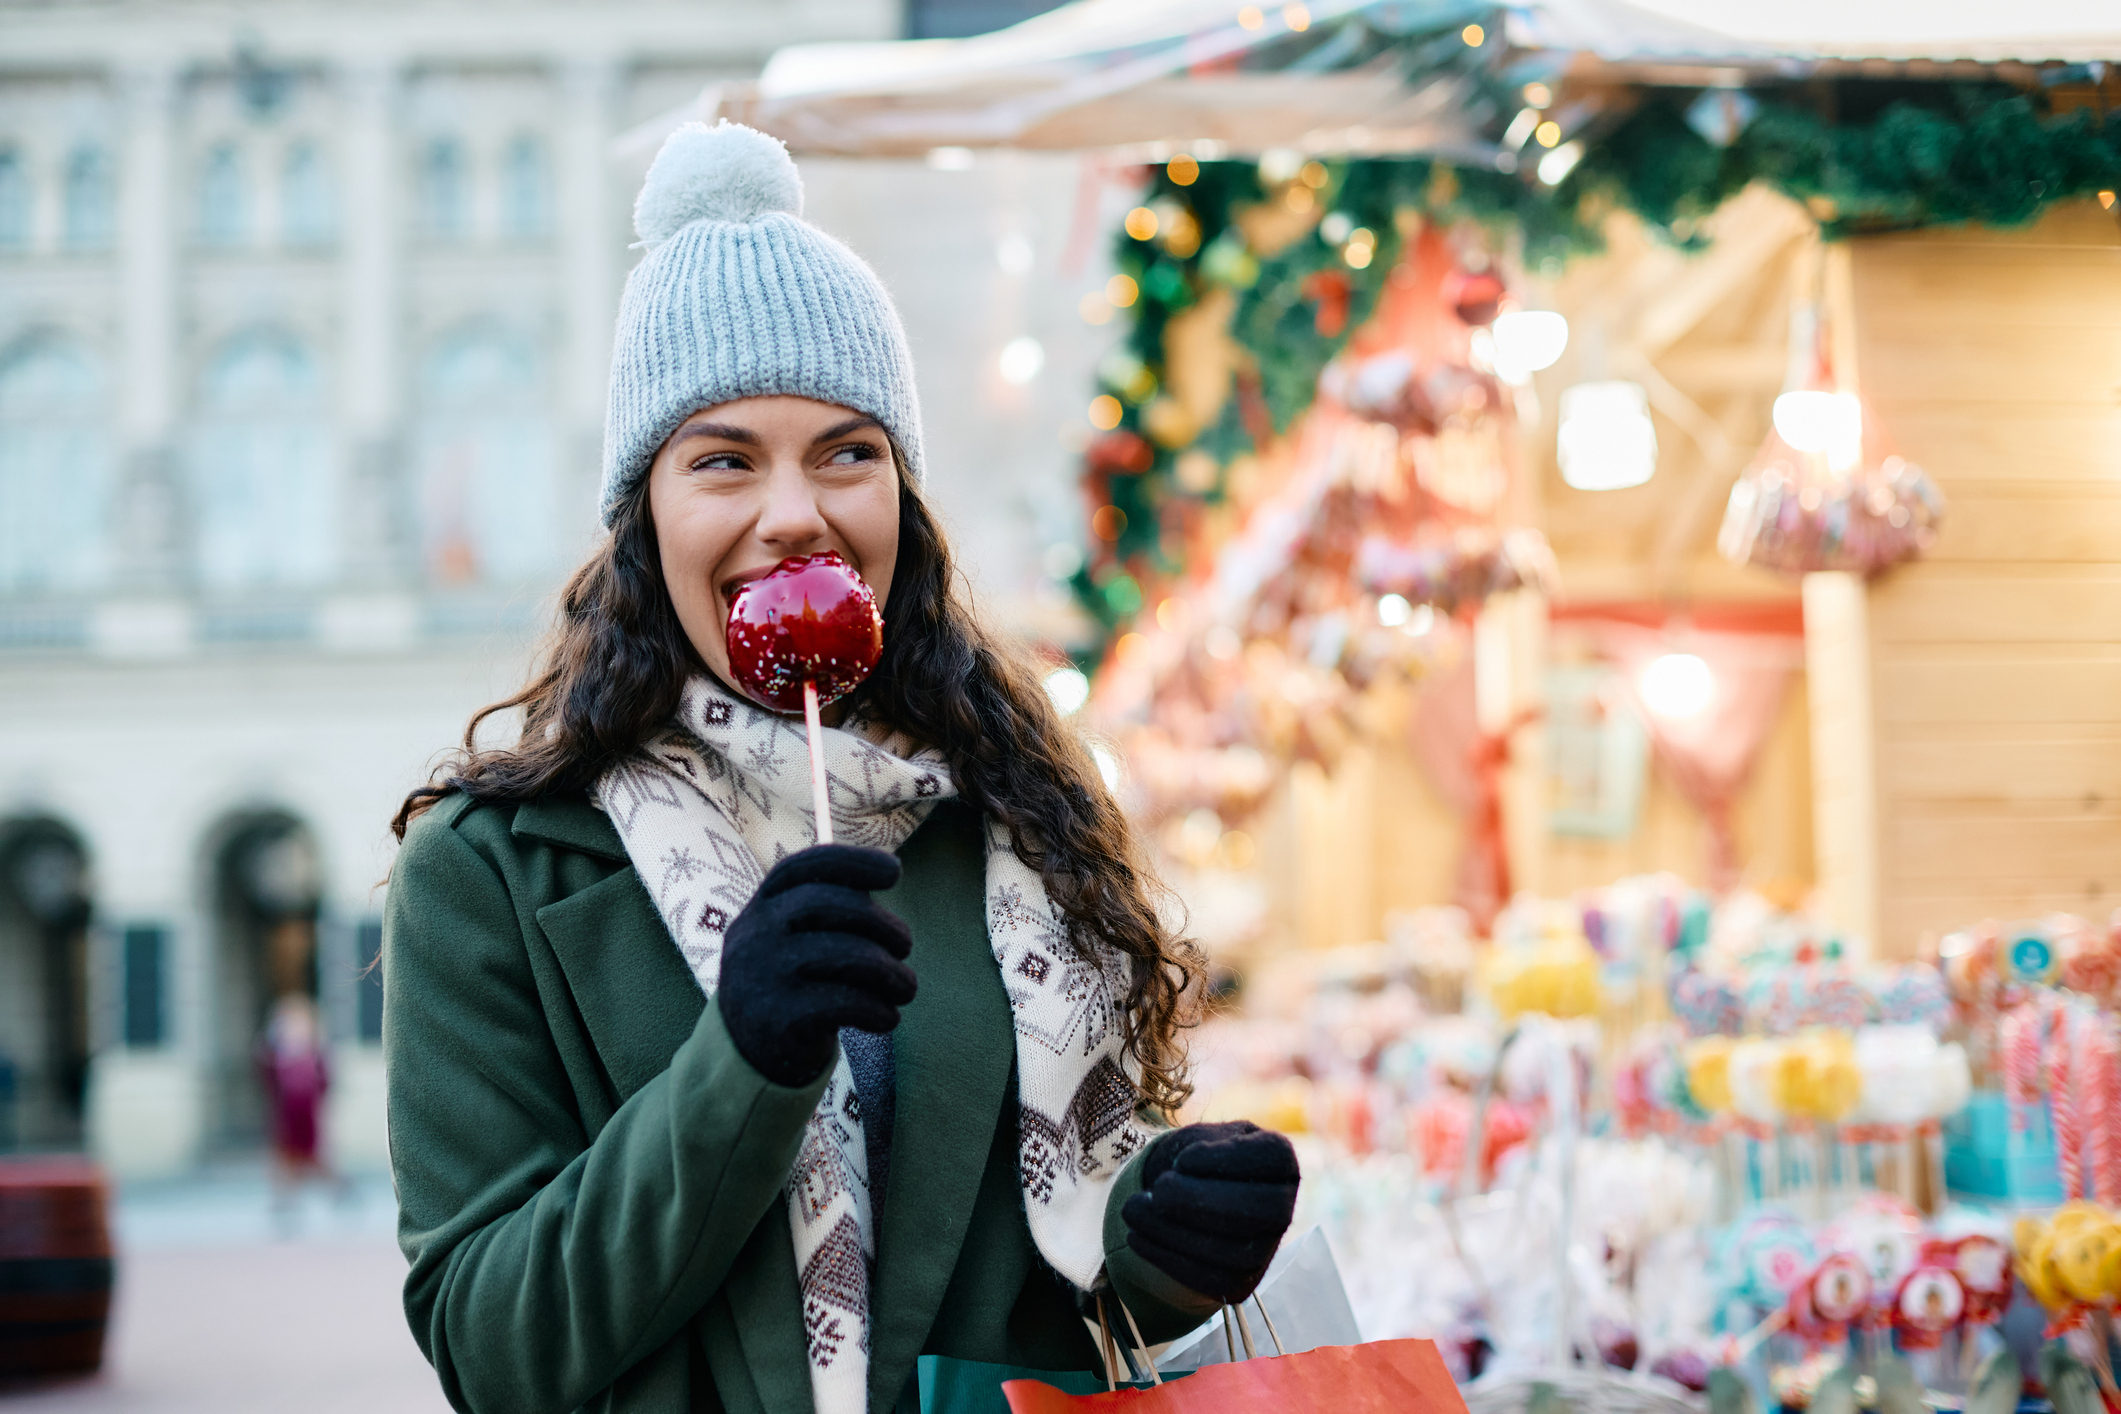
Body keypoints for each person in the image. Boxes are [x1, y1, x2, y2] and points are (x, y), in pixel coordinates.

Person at [382, 122, 1301, 1414]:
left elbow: (1066, 1279)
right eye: (721, 459)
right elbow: (493, 1350)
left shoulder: (1010, 814)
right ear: (645, 517)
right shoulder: (493, 872)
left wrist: (1170, 1235)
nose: (795, 510)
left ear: (900, 505)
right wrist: (739, 1061)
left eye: (846, 451)